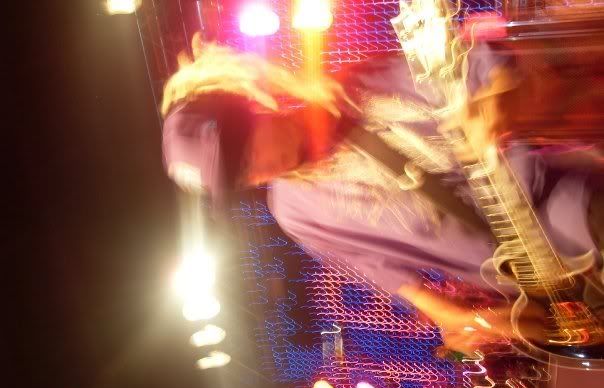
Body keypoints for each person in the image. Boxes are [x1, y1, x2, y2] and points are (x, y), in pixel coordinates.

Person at [161, 36, 604, 356]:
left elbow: (483, 67)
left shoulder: (356, 86)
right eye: (241, 177)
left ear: (251, 107)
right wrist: (468, 321)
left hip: (569, 207)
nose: (257, 172)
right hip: (542, 283)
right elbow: (387, 273)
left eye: (244, 153)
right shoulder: (294, 212)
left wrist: (496, 99)